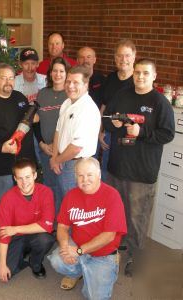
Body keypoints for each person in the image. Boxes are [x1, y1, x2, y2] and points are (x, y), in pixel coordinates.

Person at [103, 59, 175, 277]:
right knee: (119, 212)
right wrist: (111, 124)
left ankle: (137, 255)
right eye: (137, 73)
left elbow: (167, 133)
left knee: (137, 217)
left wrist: (140, 132)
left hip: (141, 172)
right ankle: (122, 243)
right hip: (117, 166)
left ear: (154, 76)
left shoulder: (160, 102)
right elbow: (107, 119)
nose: (140, 77)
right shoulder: (122, 95)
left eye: (145, 73)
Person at [48, 157, 127, 299]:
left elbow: (109, 235)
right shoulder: (71, 195)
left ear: (99, 175)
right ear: (75, 177)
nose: (85, 180)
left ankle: (108, 265)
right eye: (80, 175)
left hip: (103, 254)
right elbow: (62, 226)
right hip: (78, 247)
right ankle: (78, 272)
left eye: (89, 175)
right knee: (57, 260)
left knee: (95, 297)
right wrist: (66, 247)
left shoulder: (112, 196)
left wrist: (78, 251)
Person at [0, 63, 36, 205]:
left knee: (26, 204)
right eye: (4, 78)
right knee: (4, 205)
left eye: (11, 78)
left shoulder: (20, 97)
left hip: (25, 164)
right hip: (1, 166)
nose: (9, 82)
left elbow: (28, 121)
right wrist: (1, 147)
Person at [0, 158, 55, 282]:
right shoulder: (7, 198)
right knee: (1, 274)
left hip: (34, 234)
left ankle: (35, 262)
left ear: (35, 175)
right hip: (14, 237)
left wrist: (15, 229)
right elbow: (3, 234)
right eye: (20, 178)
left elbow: (46, 226)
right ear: (15, 178)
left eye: (27, 177)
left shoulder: (46, 192)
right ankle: (22, 255)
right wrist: (2, 265)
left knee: (46, 239)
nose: (24, 182)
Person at [50, 65, 101, 200]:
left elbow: (76, 148)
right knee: (63, 204)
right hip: (62, 161)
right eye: (68, 81)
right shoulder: (67, 102)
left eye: (76, 82)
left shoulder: (87, 110)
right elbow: (58, 131)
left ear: (86, 85)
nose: (70, 86)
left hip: (77, 165)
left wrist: (57, 160)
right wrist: (55, 156)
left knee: (74, 207)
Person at [36, 57, 70, 214]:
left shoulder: (71, 95)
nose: (58, 74)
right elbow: (36, 122)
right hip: (46, 150)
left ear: (67, 73)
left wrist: (57, 150)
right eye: (54, 71)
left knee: (65, 190)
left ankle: (63, 227)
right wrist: (42, 143)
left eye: (61, 71)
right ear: (50, 73)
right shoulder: (42, 94)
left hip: (64, 152)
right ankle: (51, 223)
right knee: (50, 188)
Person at [99, 39, 136, 180]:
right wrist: (101, 130)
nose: (123, 59)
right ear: (115, 58)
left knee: (126, 175)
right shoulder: (110, 78)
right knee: (106, 171)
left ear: (134, 56)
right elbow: (104, 106)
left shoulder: (138, 80)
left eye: (127, 55)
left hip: (130, 135)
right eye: (120, 55)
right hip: (110, 133)